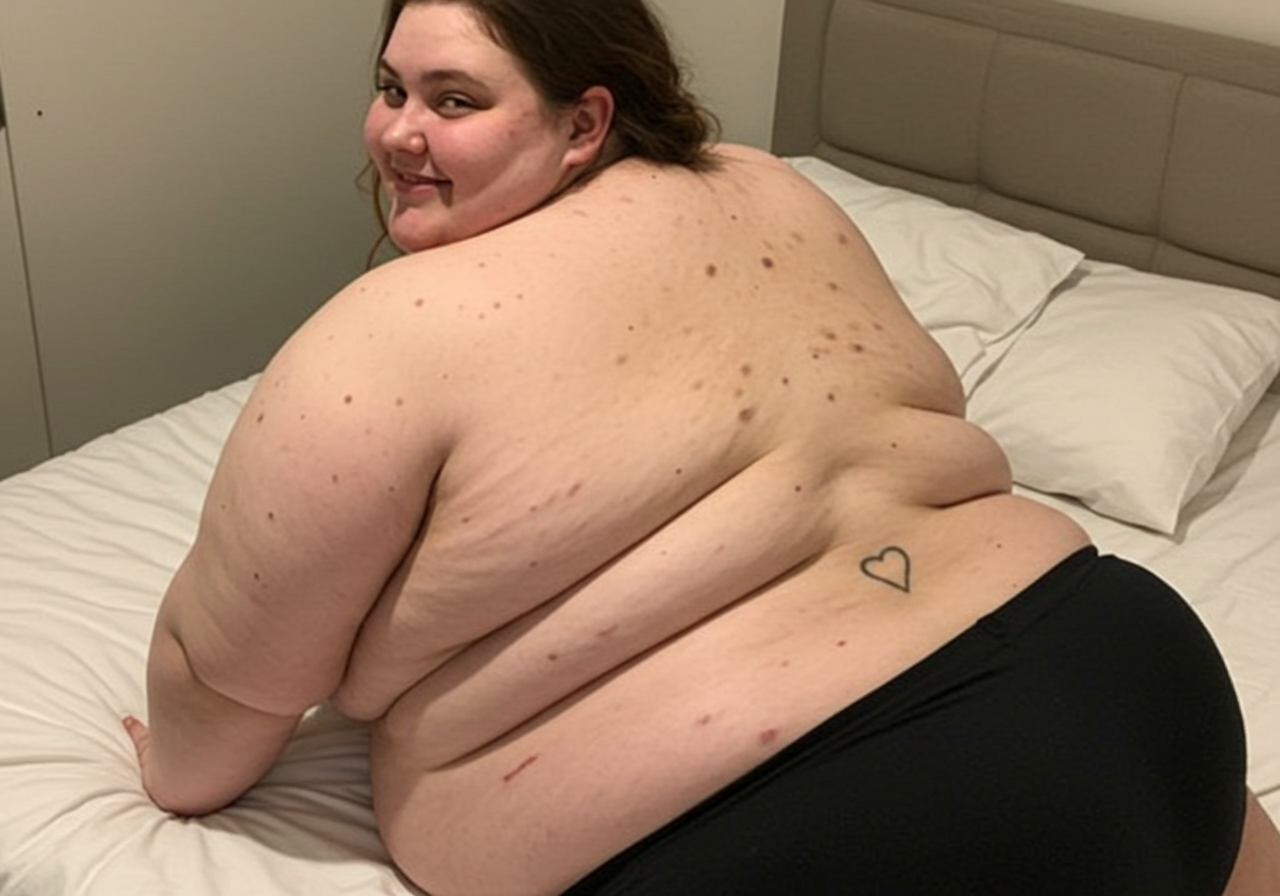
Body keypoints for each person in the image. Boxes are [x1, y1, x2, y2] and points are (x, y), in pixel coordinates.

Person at [123, 0, 1280, 893]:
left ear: (584, 122)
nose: (398, 133)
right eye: (390, 89)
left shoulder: (387, 329)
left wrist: (167, 756)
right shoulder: (774, 190)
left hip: (819, 819)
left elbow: (213, 709)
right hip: (1129, 670)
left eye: (455, 99)